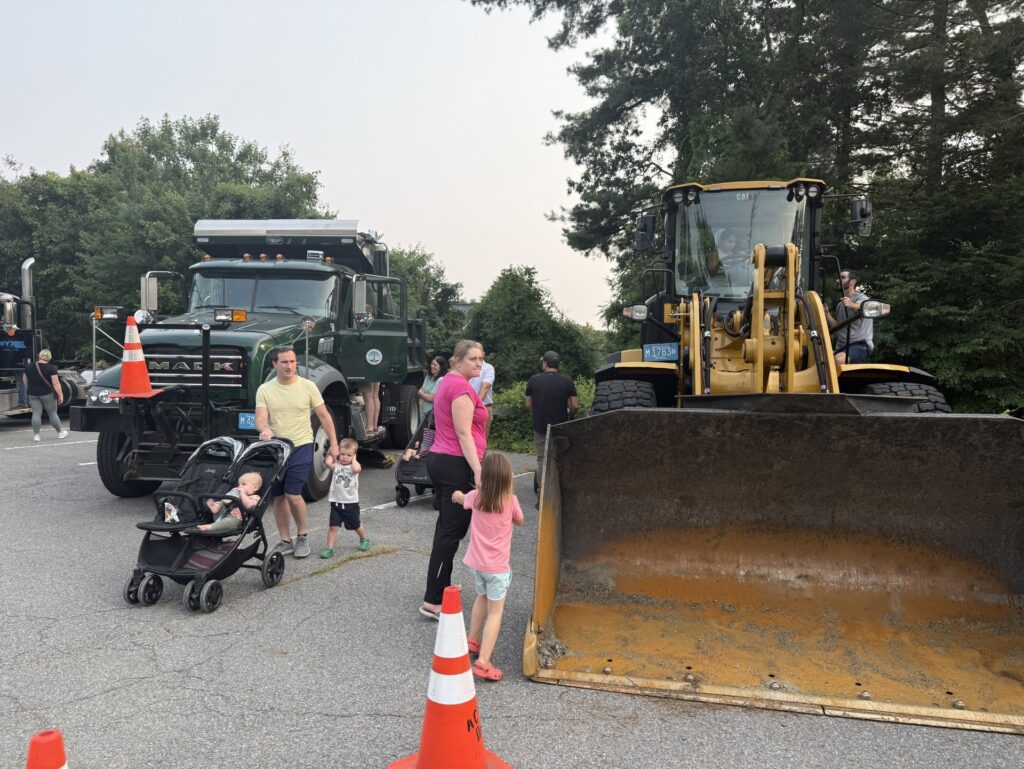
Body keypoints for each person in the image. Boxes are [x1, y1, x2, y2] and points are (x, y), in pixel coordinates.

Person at [420, 339, 488, 619]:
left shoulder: (448, 382)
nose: (479, 364)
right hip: (455, 463)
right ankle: (433, 601)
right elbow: (463, 433)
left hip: (443, 460)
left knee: (446, 529)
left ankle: (441, 587)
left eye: (481, 359)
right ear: (457, 361)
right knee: (450, 533)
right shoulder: (460, 387)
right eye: (473, 359)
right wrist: (479, 471)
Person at [255, 345, 339, 558]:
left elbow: (324, 416)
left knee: (293, 493)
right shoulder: (265, 389)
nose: (289, 366)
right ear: (275, 364)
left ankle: (302, 536)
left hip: (301, 445)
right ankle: (285, 540)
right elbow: (260, 418)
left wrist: (335, 444)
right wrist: (264, 428)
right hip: (276, 448)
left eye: (292, 362)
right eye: (284, 362)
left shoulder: (308, 386)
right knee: (279, 497)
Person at [451, 452, 524, 682]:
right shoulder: (510, 501)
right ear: (506, 479)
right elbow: (520, 520)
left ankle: (472, 638)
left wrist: (456, 494)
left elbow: (460, 498)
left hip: (477, 564)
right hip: (497, 569)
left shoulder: (476, 496)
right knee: (495, 612)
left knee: (481, 597)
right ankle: (483, 662)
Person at [525, 351, 578, 491]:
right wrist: (569, 414)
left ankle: (543, 491)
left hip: (540, 426)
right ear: (558, 365)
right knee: (560, 457)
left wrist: (537, 412)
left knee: (542, 458)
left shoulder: (533, 380)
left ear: (545, 364)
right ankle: (560, 488)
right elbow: (575, 405)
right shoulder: (567, 381)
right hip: (561, 426)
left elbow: (528, 405)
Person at [321, 438, 370, 557]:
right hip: (336, 503)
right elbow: (328, 463)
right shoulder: (336, 465)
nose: (344, 457)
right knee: (333, 527)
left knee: (356, 525)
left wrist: (354, 459)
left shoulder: (354, 467)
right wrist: (331, 453)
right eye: (342, 454)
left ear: (354, 456)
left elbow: (357, 469)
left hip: (350, 503)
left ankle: (364, 539)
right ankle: (329, 548)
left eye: (348, 455)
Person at [825, 269, 873, 365]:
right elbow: (838, 327)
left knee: (839, 360)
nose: (838, 280)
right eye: (838, 278)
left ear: (852, 282)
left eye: (842, 277)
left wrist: (851, 304)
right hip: (841, 346)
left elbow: (862, 307)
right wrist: (826, 313)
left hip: (859, 344)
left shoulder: (861, 298)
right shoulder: (840, 305)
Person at [195, 472, 263, 533]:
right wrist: (230, 495)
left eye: (243, 484)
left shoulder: (255, 497)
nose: (240, 486)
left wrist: (243, 493)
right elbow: (225, 501)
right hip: (222, 515)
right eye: (239, 484)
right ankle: (215, 507)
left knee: (228, 521)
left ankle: (210, 527)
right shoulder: (237, 493)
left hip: (236, 519)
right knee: (221, 503)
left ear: (255, 488)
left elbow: (249, 506)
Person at [23, 349, 68, 442]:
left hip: (33, 394)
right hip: (48, 394)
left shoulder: (29, 367)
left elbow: (25, 381)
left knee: (36, 414)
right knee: (52, 413)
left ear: (39, 356)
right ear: (49, 357)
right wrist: (61, 395)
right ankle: (60, 433)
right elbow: (56, 384)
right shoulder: (51, 368)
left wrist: (31, 388)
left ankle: (36, 435)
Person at [469, 351, 495, 437]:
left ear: (483, 353)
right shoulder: (467, 368)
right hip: (466, 406)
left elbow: (486, 386)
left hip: (482, 406)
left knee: (480, 439)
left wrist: (476, 405)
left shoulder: (488, 368)